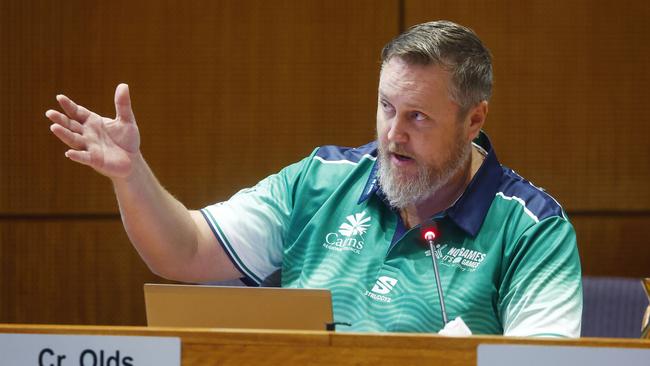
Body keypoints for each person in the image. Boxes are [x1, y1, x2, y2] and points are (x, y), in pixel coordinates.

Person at [45, 20, 582, 336]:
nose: (393, 134)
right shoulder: (323, 179)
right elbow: (183, 251)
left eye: (418, 117)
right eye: (385, 107)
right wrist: (131, 174)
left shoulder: (533, 228)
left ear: (474, 120)